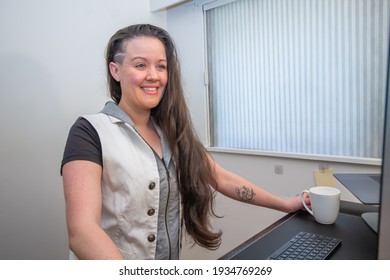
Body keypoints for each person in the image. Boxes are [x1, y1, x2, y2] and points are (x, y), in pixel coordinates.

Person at [61, 24, 309, 260]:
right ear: (115, 70)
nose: (153, 76)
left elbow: (221, 178)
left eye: (161, 66)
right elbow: (83, 232)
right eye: (140, 65)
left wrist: (287, 203)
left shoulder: (172, 134)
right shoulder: (90, 131)